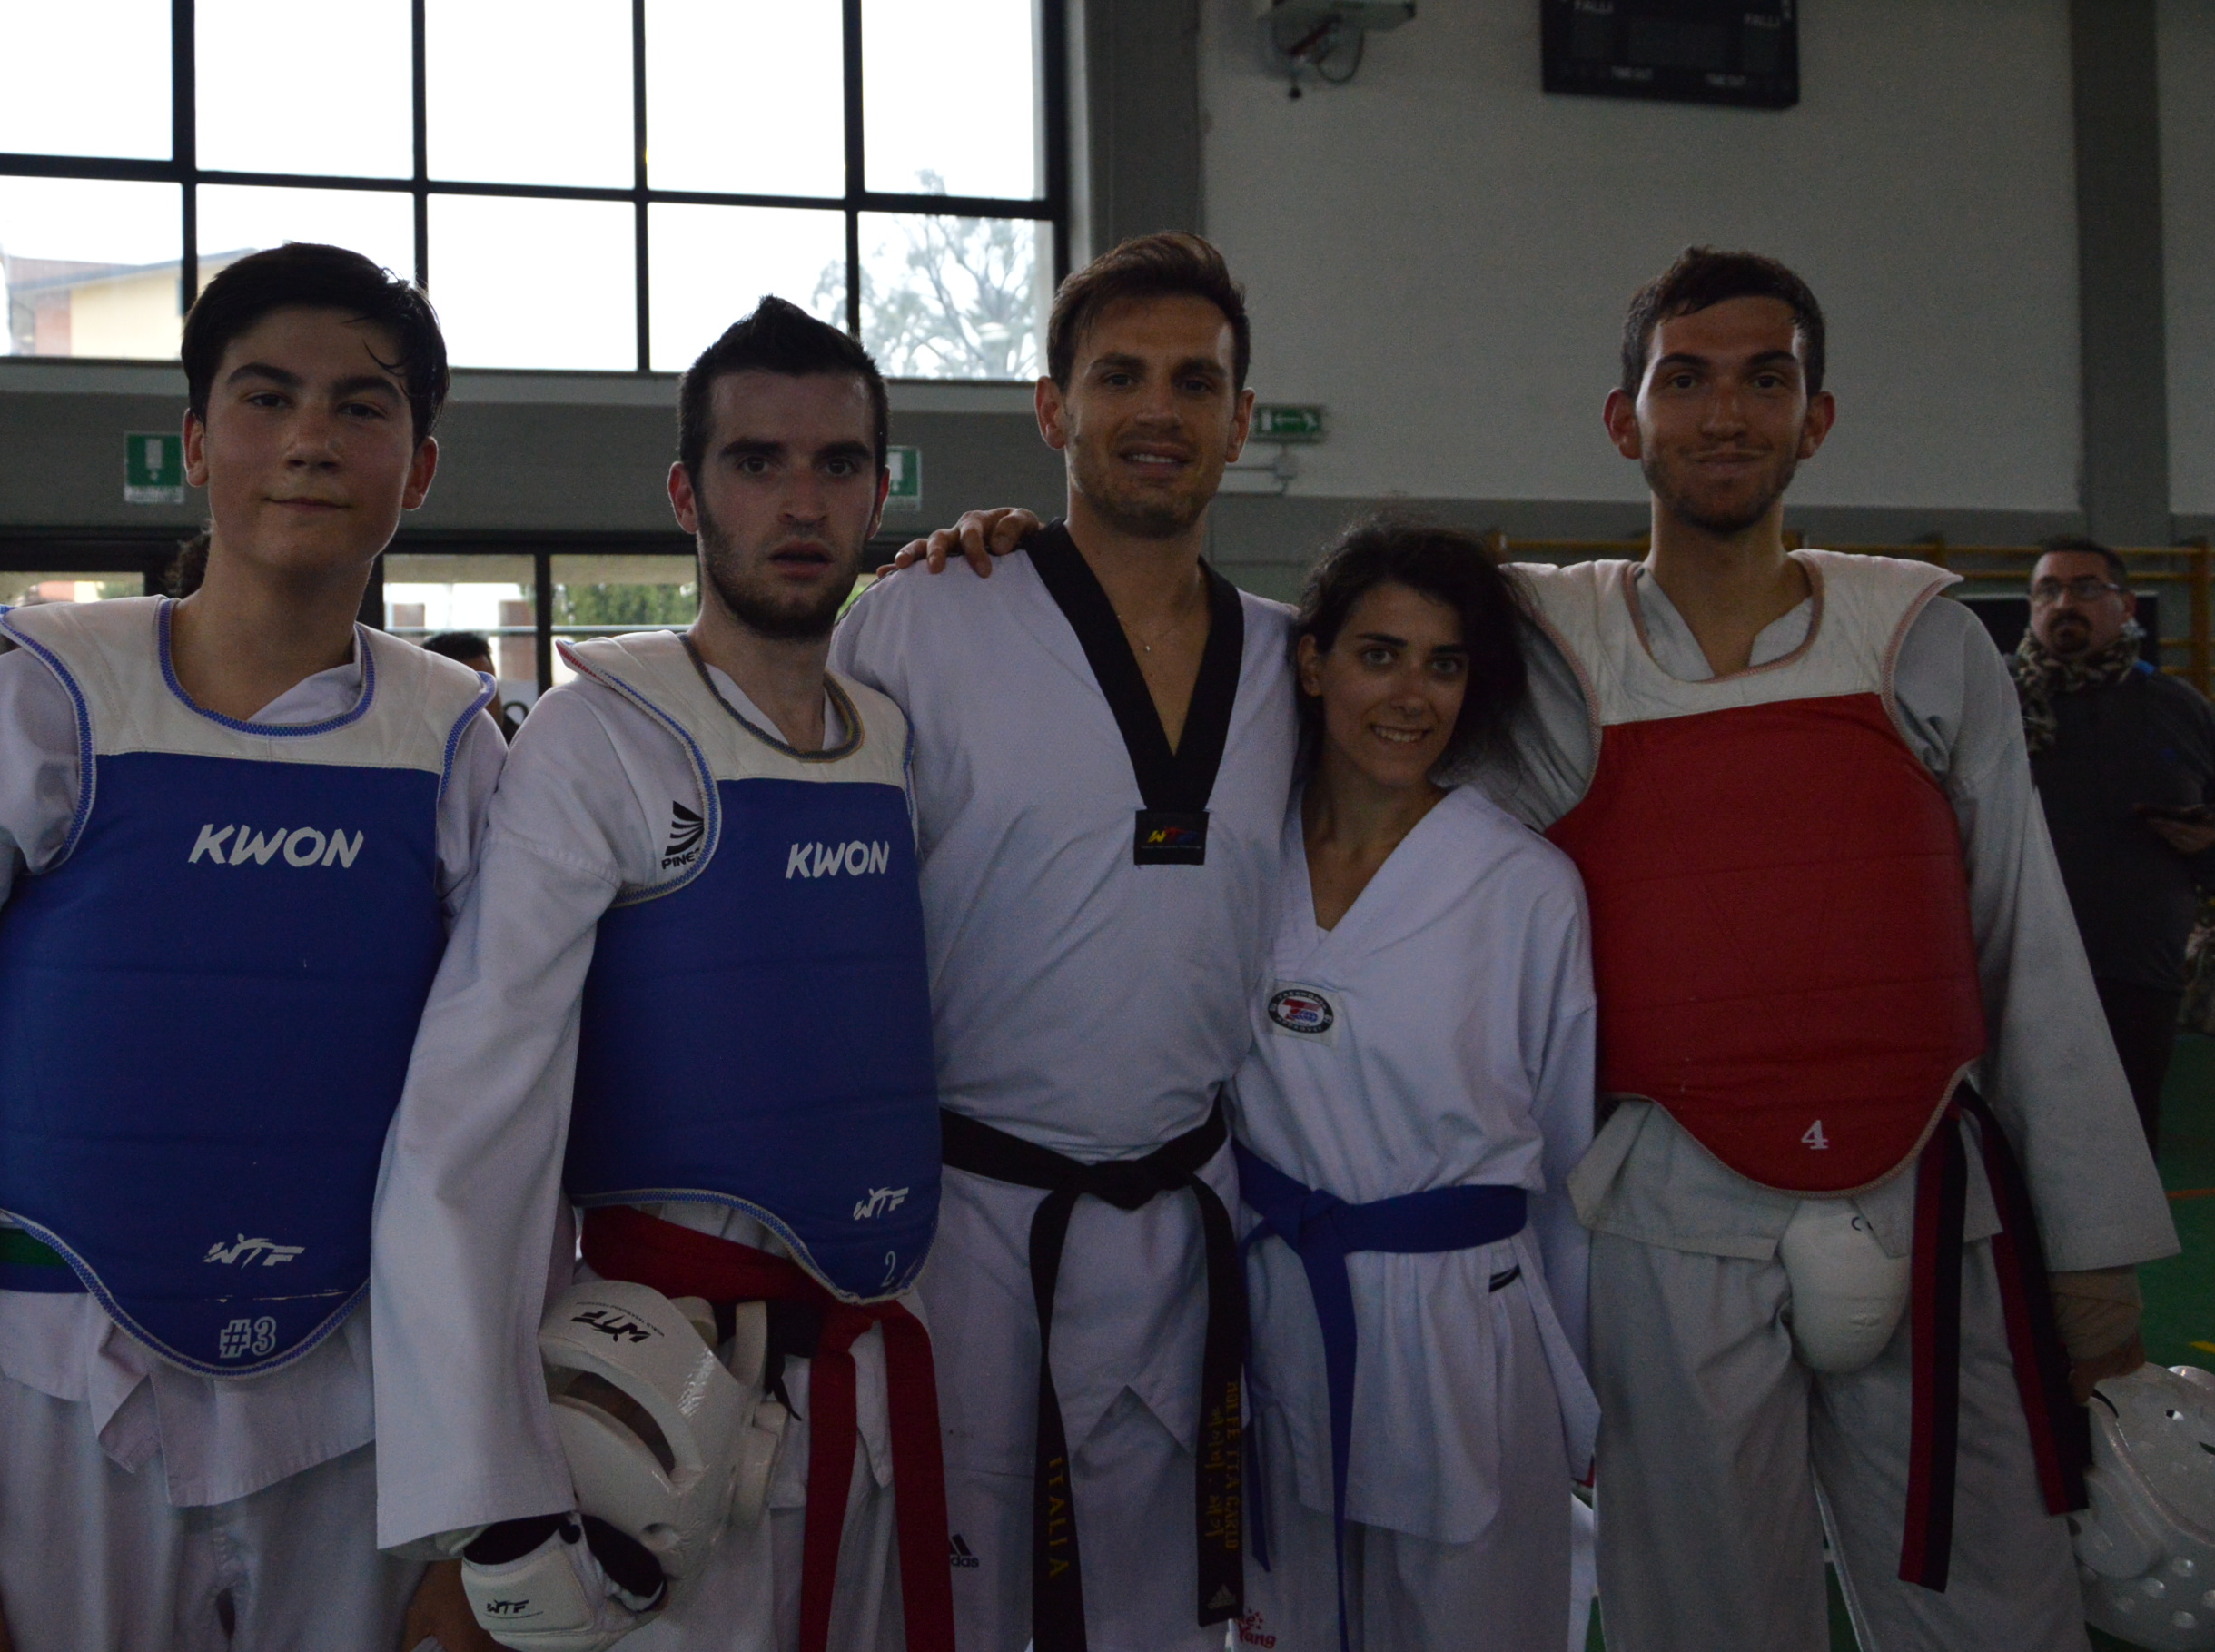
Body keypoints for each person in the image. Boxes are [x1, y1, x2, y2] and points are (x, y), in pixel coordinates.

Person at [890, 246, 2178, 1651]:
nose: (1724, 415)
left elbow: (2026, 949)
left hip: (1906, 1185)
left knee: (1990, 1609)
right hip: (1622, 1212)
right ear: (1625, 420)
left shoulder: (1916, 639)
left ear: (1818, 416)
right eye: (1685, 381)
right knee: (1692, 1616)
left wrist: (2091, 1260)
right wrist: (1001, 553)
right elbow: (1369, 642)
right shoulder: (1551, 645)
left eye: (1765, 382)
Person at [0, 242, 503, 1651]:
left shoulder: (459, 747)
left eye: (360, 407)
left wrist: (479, 1521)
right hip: (55, 1402)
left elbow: (504, 1143)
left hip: (365, 1408)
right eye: (266, 398)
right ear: (195, 444)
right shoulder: (38, 712)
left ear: (418, 467)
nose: (309, 439)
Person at [374, 297, 949, 1652]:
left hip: (877, 1372)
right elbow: (474, 1114)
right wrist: (486, 1500)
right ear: (687, 494)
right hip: (658, 1408)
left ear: (879, 494)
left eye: (838, 464)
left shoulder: (892, 740)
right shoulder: (601, 738)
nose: (800, 502)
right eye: (757, 462)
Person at [830, 233, 1299, 1652]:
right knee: (962, 1603)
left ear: (1242, 420)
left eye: (1196, 382)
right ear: (1053, 409)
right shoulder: (922, 619)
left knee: (1165, 1606)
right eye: (1120, 377)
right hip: (974, 1224)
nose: (1159, 410)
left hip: (1191, 1217)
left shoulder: (1295, 659)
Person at [1230, 520, 1596, 1652]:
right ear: (1311, 663)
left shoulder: (1523, 884)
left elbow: (1567, 1157)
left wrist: (1584, 1378)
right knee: (1286, 1619)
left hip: (1460, 1323)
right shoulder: (1240, 852)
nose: (1409, 694)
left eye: (1442, 663)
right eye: (1377, 653)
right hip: (1277, 1302)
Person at [2012, 537, 2215, 1152]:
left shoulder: (2179, 709)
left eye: (2085, 588)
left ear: (2125, 605)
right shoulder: (1989, 704)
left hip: (2138, 973)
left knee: (2126, 1148)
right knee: (2020, 1146)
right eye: (2048, 590)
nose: (2063, 603)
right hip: (2016, 968)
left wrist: (2206, 842)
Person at [423, 629, 520, 742]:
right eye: (463, 695)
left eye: (486, 689)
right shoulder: (412, 747)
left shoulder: (524, 745)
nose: (480, 707)